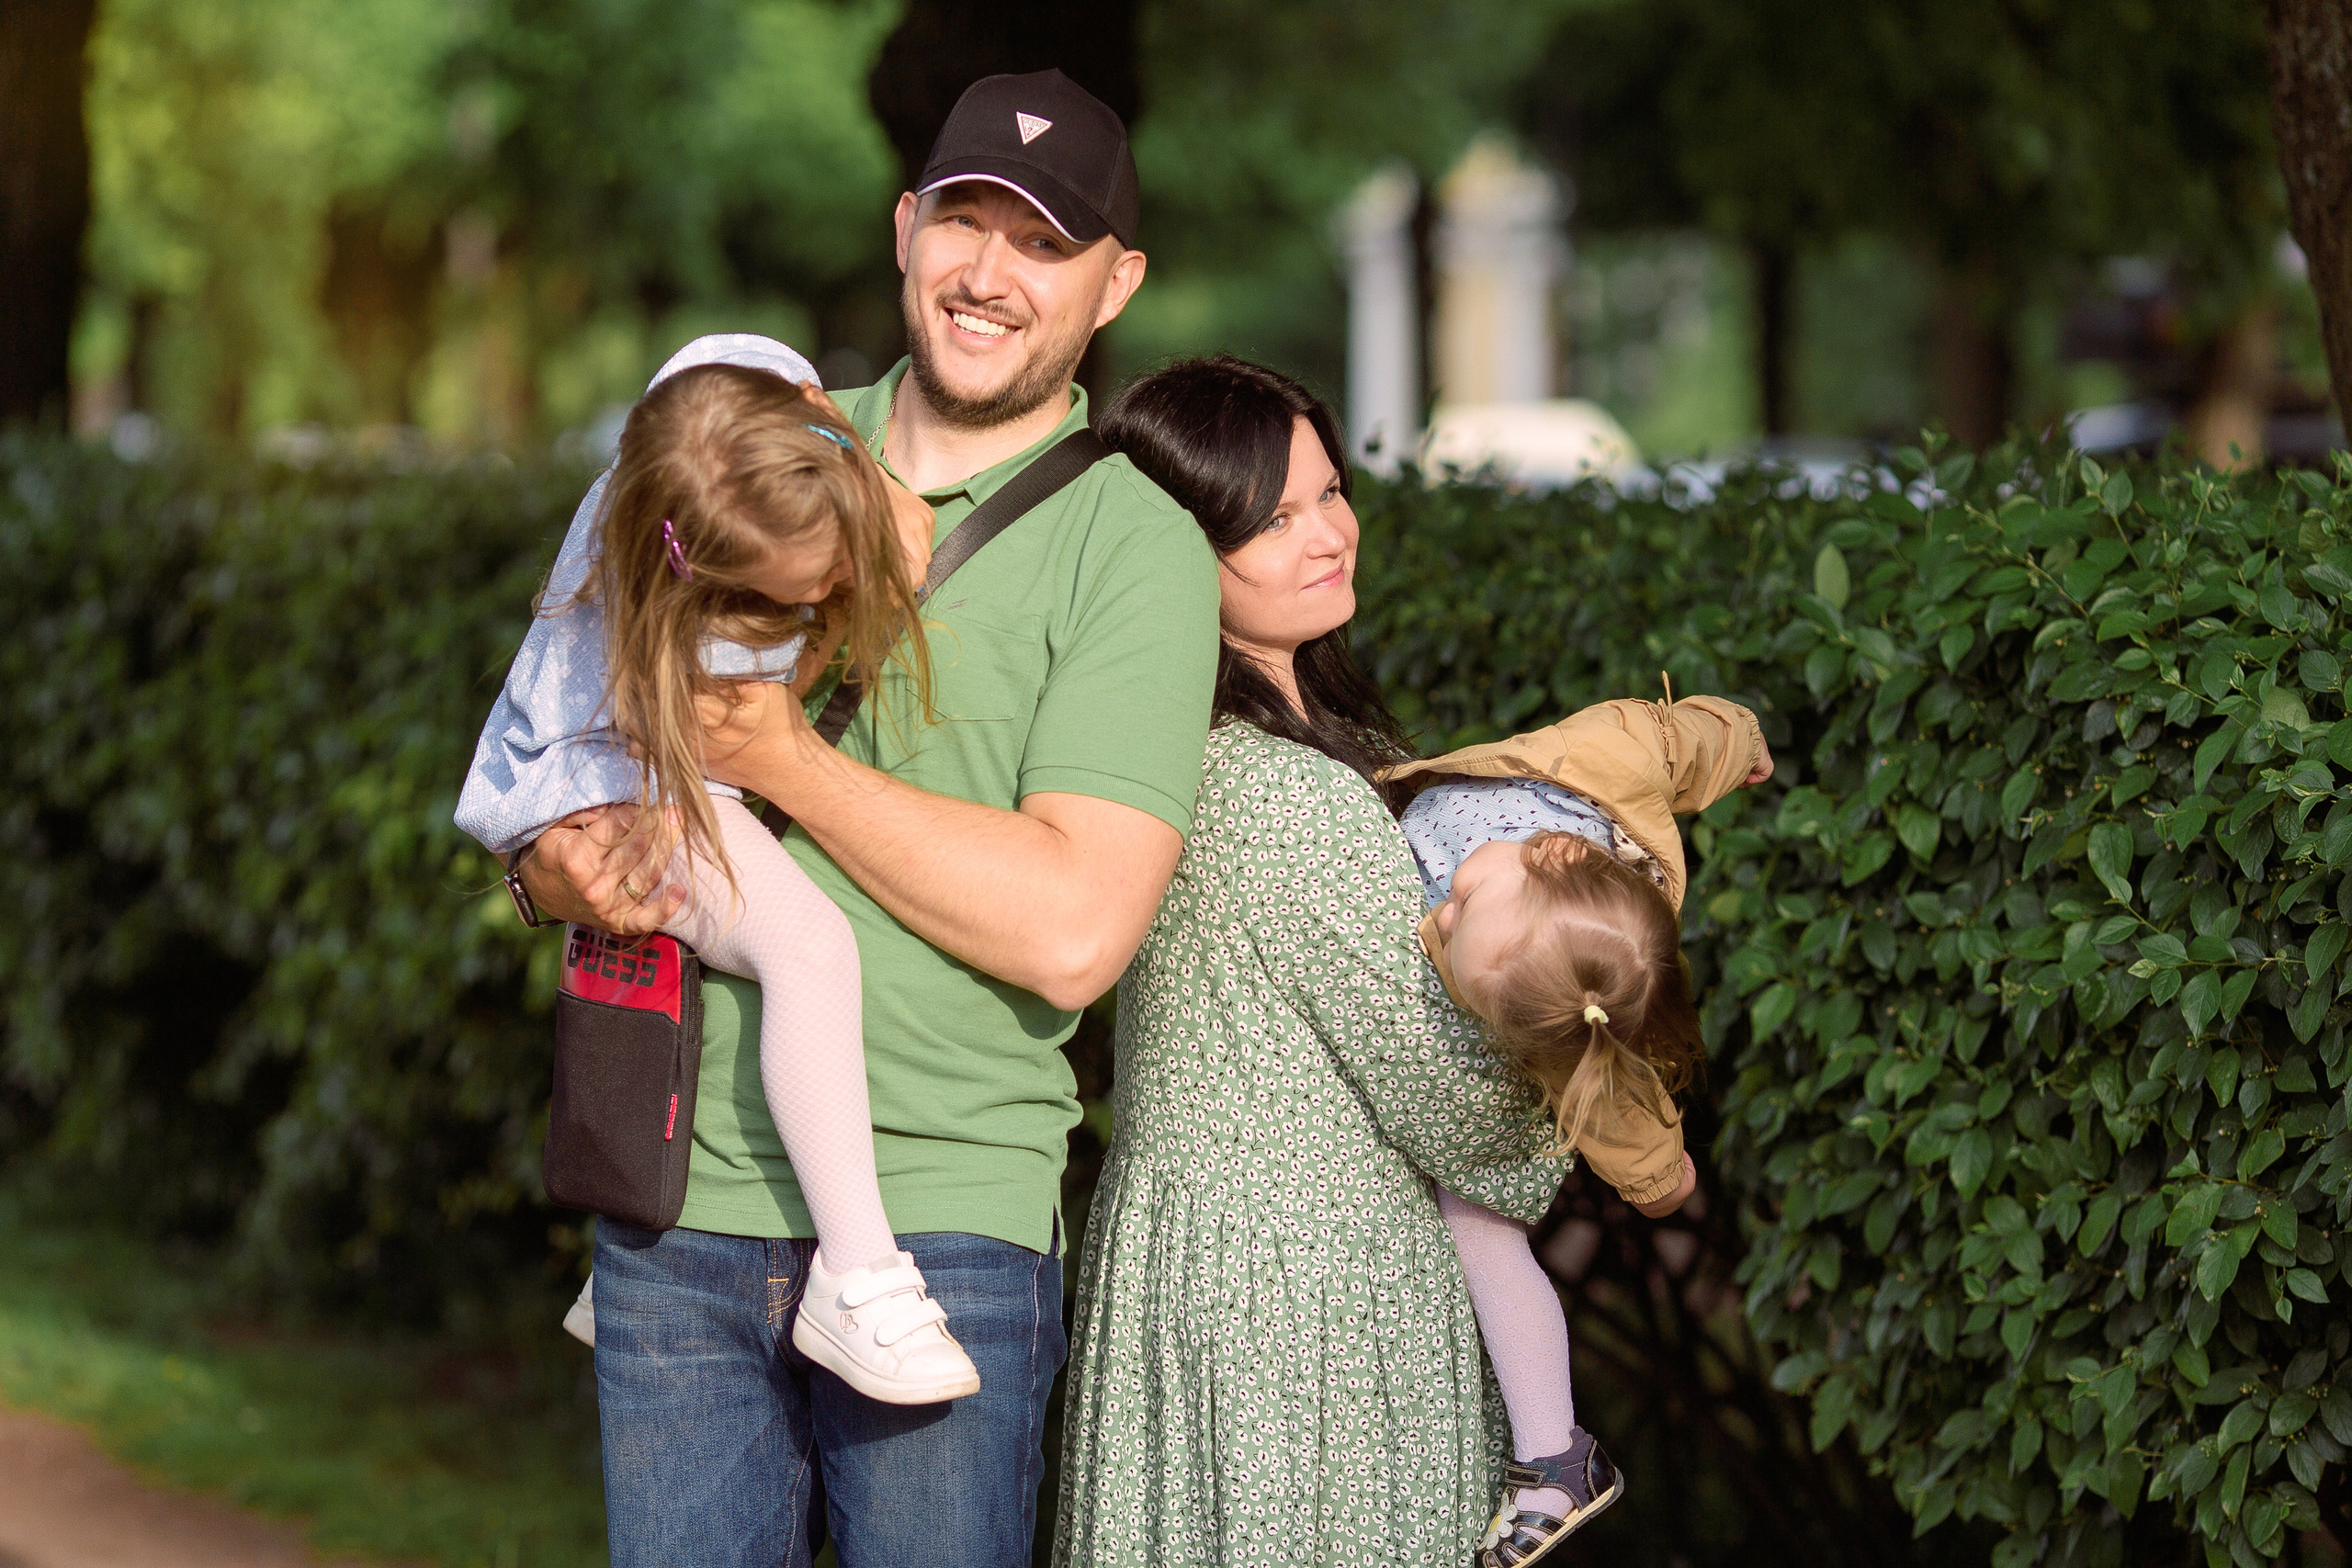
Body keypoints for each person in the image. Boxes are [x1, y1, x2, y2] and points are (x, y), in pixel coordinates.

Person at [513, 71, 1219, 1568]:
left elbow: (1075, 930)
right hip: (669, 1203)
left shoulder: (1138, 548)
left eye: (1043, 245)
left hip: (943, 1230)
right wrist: (554, 860)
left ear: (1115, 286)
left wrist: (782, 755)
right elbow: (572, 701)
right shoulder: (744, 441)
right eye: (962, 223)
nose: (988, 274)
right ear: (904, 234)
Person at [1053, 356, 1575, 1568]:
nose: (1328, 533)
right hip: (1306, 1297)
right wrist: (1590, 1052)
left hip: (1196, 1262)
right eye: (1273, 517)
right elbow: (1463, 1111)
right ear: (1182, 547)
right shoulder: (1287, 792)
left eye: (1330, 492)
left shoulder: (1163, 739)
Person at [455, 334, 996, 1404]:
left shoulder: (731, 403)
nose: (840, 582)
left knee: (725, 958)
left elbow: (746, 368)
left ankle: (632, 1269)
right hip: (609, 786)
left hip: (635, 756)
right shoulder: (686, 613)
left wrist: (861, 478)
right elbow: (710, 742)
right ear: (703, 579)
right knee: (803, 945)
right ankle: (858, 1274)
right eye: (807, 588)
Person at [1384, 690, 1772, 1565]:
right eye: (1461, 905)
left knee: (1475, 1226)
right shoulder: (1604, 757)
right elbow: (1679, 739)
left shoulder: (1560, 1009)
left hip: (1477, 1112)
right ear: (1554, 854)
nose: (1438, 918)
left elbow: (1620, 1109)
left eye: (1452, 929)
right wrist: (1744, 739)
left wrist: (1662, 1183)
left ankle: (1556, 1452)